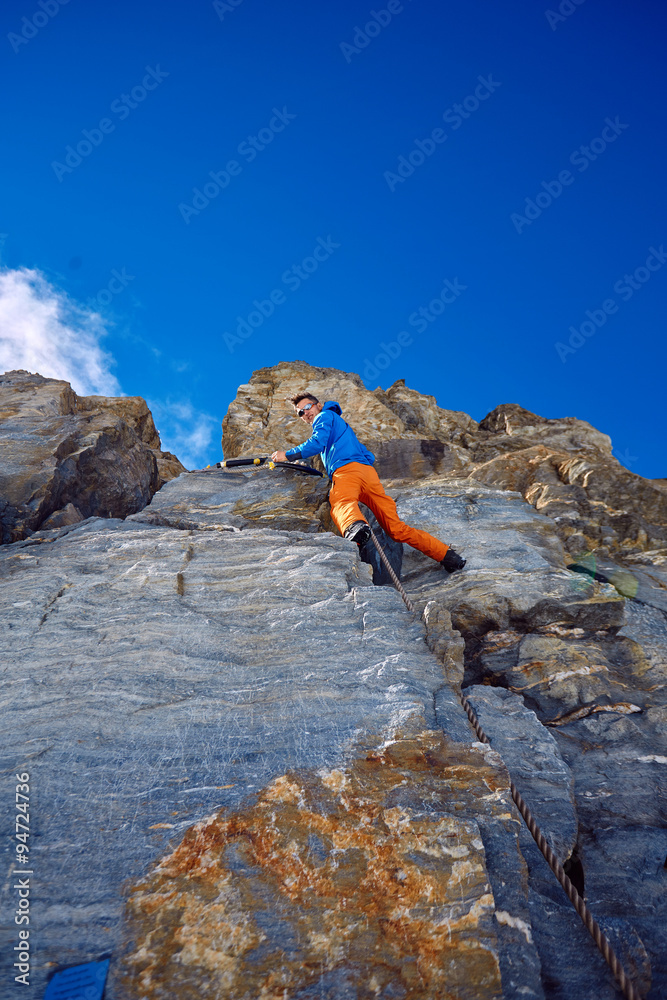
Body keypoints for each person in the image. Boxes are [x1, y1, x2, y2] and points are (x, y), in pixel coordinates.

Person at [270, 392, 466, 573]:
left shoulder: (324, 417)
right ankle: (448, 556)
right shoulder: (341, 425)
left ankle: (356, 528)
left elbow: (316, 442)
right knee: (397, 529)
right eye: (300, 413)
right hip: (368, 475)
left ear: (318, 405)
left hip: (346, 472)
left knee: (340, 502)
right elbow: (365, 453)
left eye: (308, 407)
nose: (305, 413)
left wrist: (286, 455)